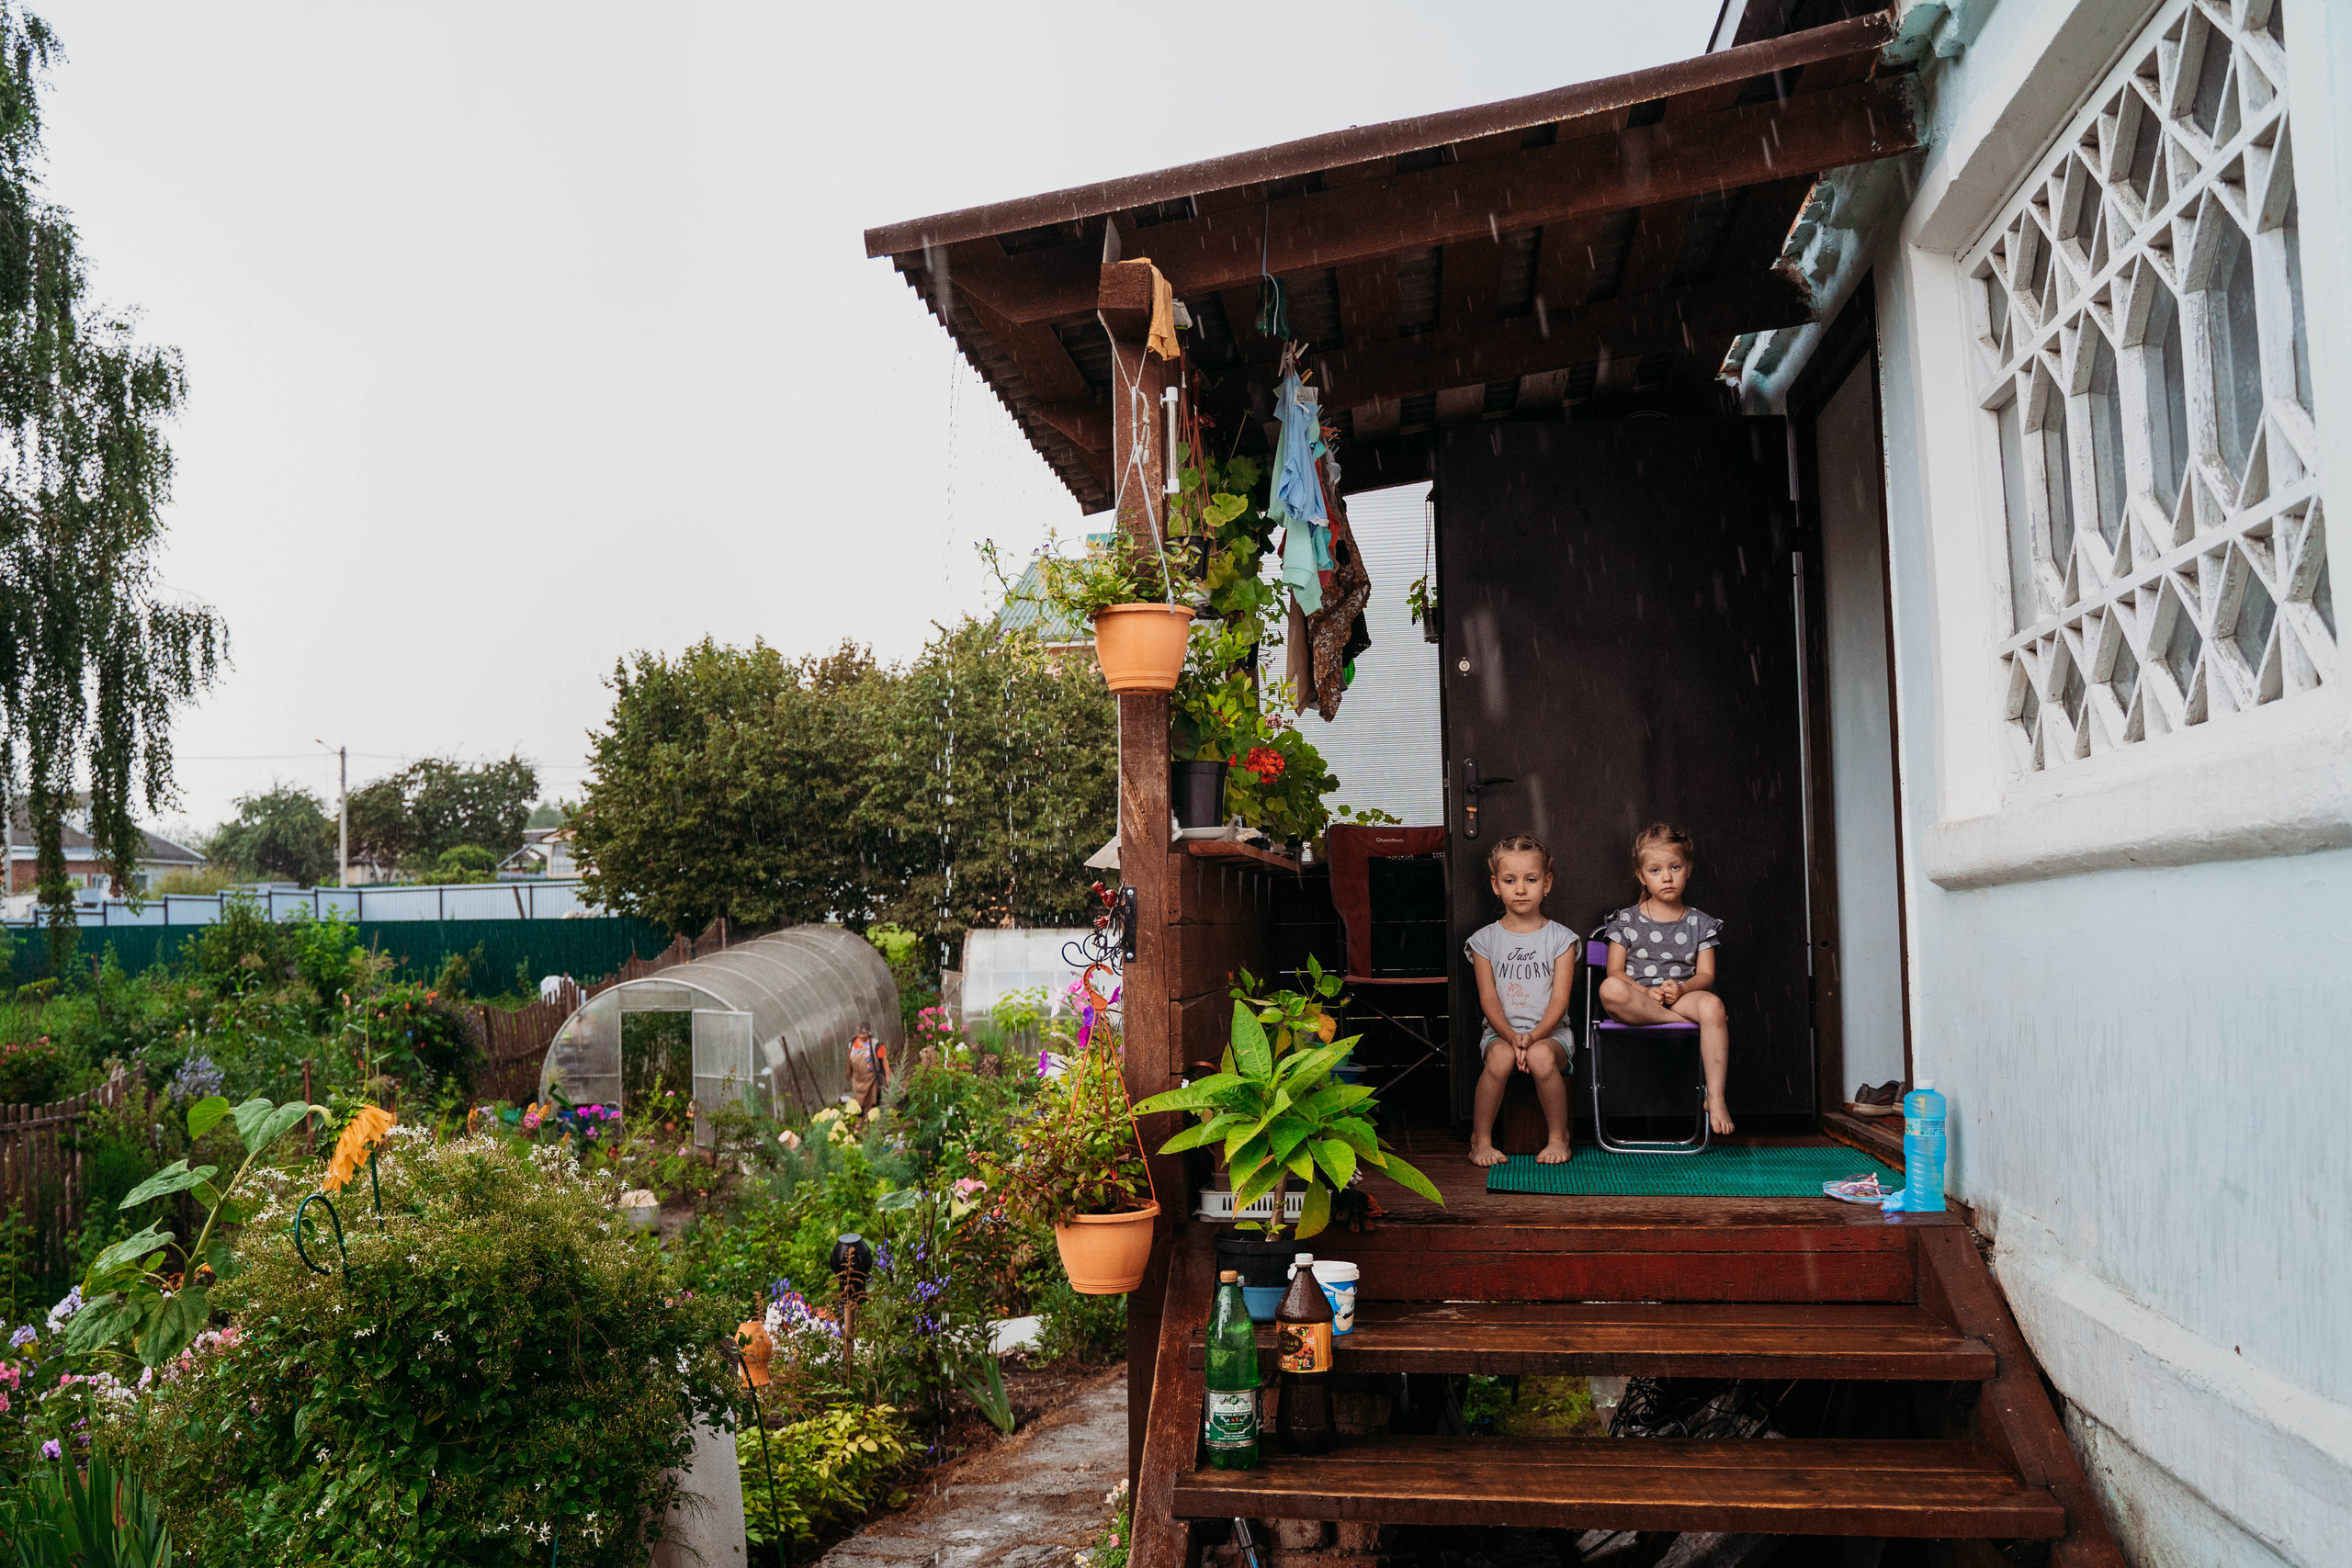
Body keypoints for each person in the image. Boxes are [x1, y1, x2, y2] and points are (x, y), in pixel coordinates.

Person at [1599, 822, 1734, 1135]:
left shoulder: (1701, 923)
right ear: (1641, 876)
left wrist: (1683, 988)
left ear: (1688, 869)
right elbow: (1615, 971)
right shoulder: (1626, 920)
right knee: (1609, 989)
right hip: (1637, 1000)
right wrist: (1644, 993)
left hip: (1683, 997)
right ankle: (1675, 1021)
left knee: (1713, 1006)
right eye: (1656, 870)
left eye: (1675, 867)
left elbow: (1706, 975)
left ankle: (1715, 1096)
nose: (1667, 877)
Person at [1464, 834, 1577, 1168]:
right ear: (1496, 885)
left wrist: (1534, 1037)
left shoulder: (1561, 939)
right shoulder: (1484, 940)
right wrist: (1512, 1037)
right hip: (1501, 1033)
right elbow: (1489, 999)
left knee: (1542, 1058)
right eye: (1510, 880)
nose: (1521, 889)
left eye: (1531, 879)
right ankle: (1480, 1140)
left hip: (1551, 1034)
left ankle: (1559, 1137)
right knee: (1498, 1060)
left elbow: (1560, 1001)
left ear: (1547, 882)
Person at [845, 1023, 889, 1113]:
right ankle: (860, 1117)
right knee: (858, 1101)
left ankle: (873, 1117)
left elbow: (884, 1060)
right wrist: (848, 1069)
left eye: (865, 1033)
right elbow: (849, 1056)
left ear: (869, 1033)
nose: (862, 1036)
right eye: (860, 1033)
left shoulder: (874, 1044)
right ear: (857, 1032)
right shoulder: (852, 1043)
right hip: (857, 1079)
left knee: (872, 1100)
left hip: (870, 1078)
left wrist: (888, 1076)